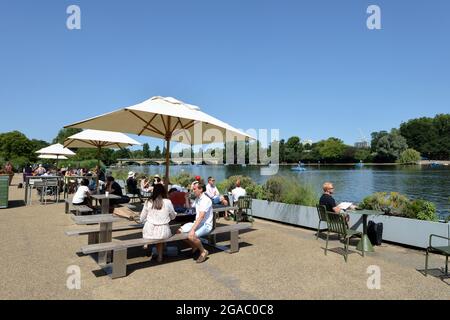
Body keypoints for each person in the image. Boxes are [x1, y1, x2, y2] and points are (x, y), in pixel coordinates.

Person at [139, 184, 177, 263]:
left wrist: (144, 219)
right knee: (161, 234)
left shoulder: (148, 201)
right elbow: (173, 217)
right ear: (164, 191)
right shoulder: (167, 202)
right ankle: (160, 255)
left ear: (153, 191)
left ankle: (147, 245)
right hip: (164, 231)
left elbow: (142, 218)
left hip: (149, 231)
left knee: (151, 229)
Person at [177, 182, 212, 263]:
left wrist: (192, 229)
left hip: (206, 225)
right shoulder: (198, 199)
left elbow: (201, 216)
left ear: (201, 189)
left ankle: (203, 251)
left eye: (195, 189)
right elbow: (189, 208)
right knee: (178, 232)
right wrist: (186, 198)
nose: (193, 190)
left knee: (191, 236)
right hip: (198, 223)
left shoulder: (206, 200)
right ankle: (194, 246)